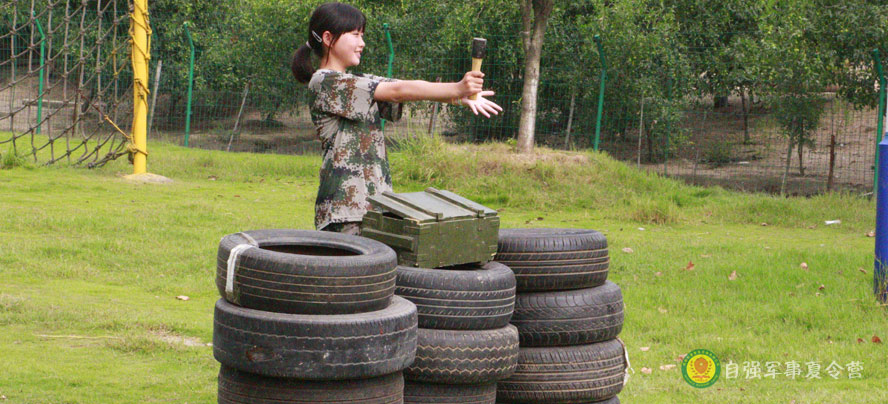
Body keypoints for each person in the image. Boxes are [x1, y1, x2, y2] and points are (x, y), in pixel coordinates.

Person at [292, 2, 502, 235]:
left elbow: (401, 88)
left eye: (363, 35)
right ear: (329, 38)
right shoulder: (323, 82)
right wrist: (456, 88)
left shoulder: (358, 81)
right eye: (355, 35)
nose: (362, 43)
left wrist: (456, 97)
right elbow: (396, 91)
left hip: (375, 209)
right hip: (344, 213)